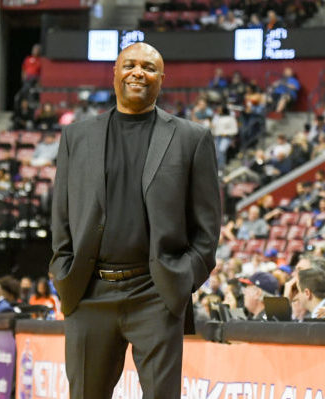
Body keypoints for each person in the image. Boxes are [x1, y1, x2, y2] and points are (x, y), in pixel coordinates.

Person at [50, 42, 221, 399]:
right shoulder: (76, 136)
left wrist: (181, 278)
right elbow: (61, 215)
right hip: (89, 291)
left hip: (155, 292)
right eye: (129, 65)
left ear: (162, 78)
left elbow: (207, 230)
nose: (138, 72)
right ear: (115, 73)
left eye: (148, 67)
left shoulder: (192, 138)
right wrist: (64, 269)